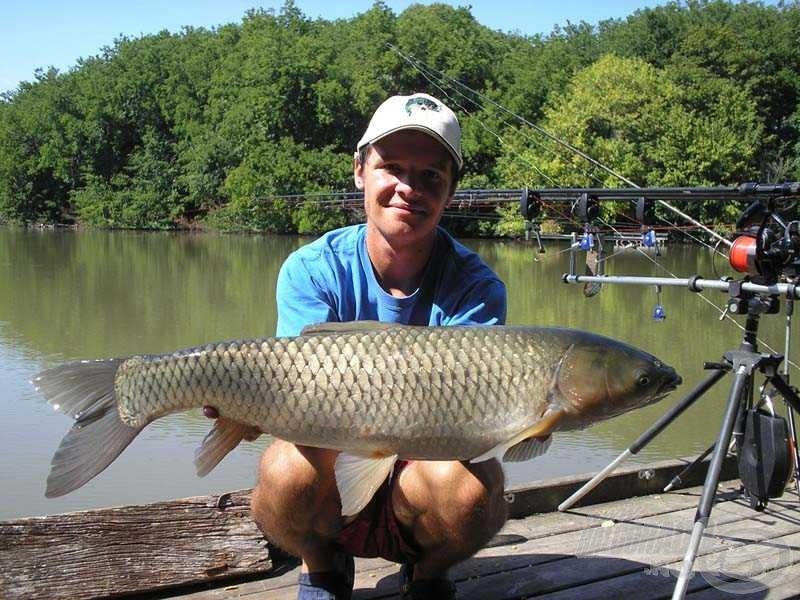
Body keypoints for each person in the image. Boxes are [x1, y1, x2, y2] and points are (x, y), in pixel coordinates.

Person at [250, 93, 508, 600]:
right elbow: (298, 401)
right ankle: (323, 566)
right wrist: (245, 408)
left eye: (431, 175)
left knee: (473, 488)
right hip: (334, 469)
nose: (408, 188)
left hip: (417, 480)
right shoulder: (312, 268)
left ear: (451, 191)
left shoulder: (476, 287)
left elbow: (459, 425)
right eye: (392, 167)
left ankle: (428, 574)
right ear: (359, 171)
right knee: (284, 469)